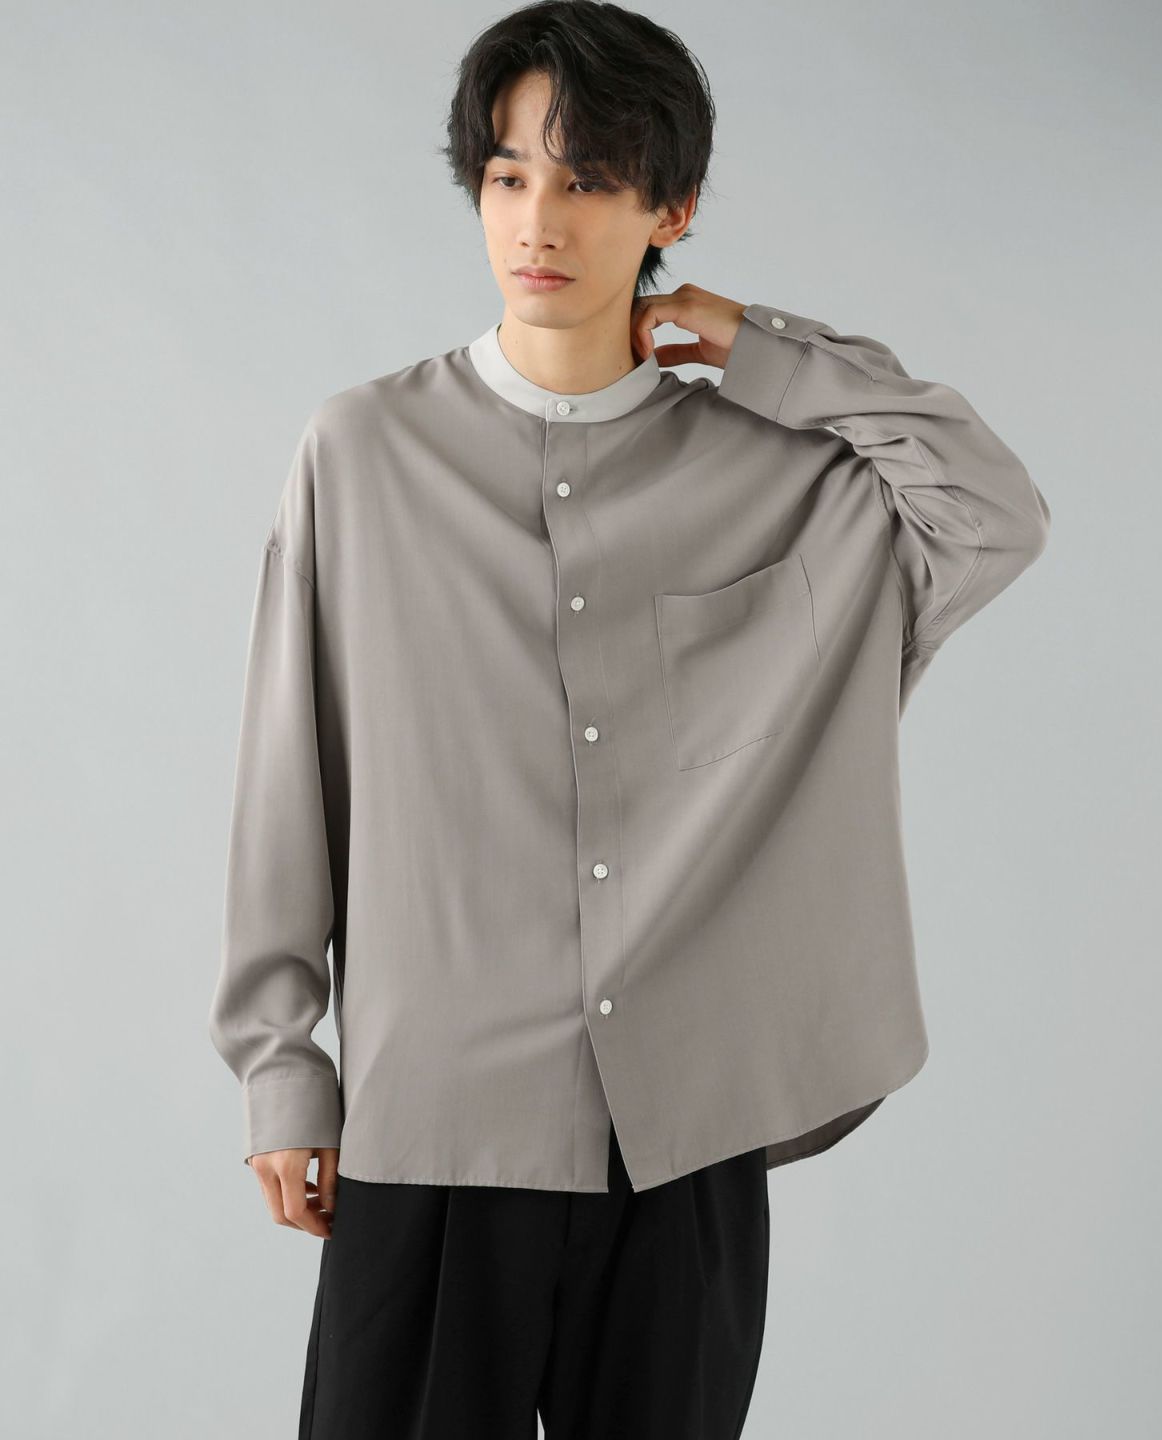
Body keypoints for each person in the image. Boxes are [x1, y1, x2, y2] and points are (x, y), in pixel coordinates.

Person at [208, 3, 1051, 1437]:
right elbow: (289, 779)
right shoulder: (361, 454)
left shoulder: (789, 481)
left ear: (674, 207)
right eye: (509, 175)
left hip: (682, 1143)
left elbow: (993, 510)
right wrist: (284, 1069)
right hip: (437, 1128)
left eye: (589, 180)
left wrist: (763, 346)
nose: (539, 221)